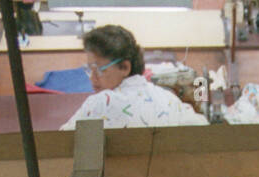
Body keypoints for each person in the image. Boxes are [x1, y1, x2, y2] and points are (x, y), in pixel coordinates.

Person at [60, 25, 208, 130]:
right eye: (89, 69)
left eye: (98, 69)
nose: (92, 78)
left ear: (125, 67)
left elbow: (61, 141)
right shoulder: (167, 99)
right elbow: (202, 130)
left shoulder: (100, 102)